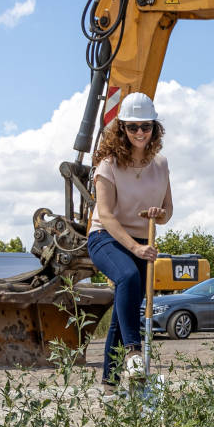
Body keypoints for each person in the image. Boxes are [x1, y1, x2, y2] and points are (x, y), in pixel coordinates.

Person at [87, 92, 173, 391]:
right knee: (127, 275)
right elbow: (107, 216)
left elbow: (168, 211)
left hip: (141, 239)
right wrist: (135, 248)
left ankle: (109, 385)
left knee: (122, 313)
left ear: (154, 129)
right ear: (121, 128)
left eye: (145, 127)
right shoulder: (107, 165)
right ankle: (134, 353)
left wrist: (158, 214)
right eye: (133, 127)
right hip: (106, 238)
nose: (139, 133)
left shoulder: (161, 164)